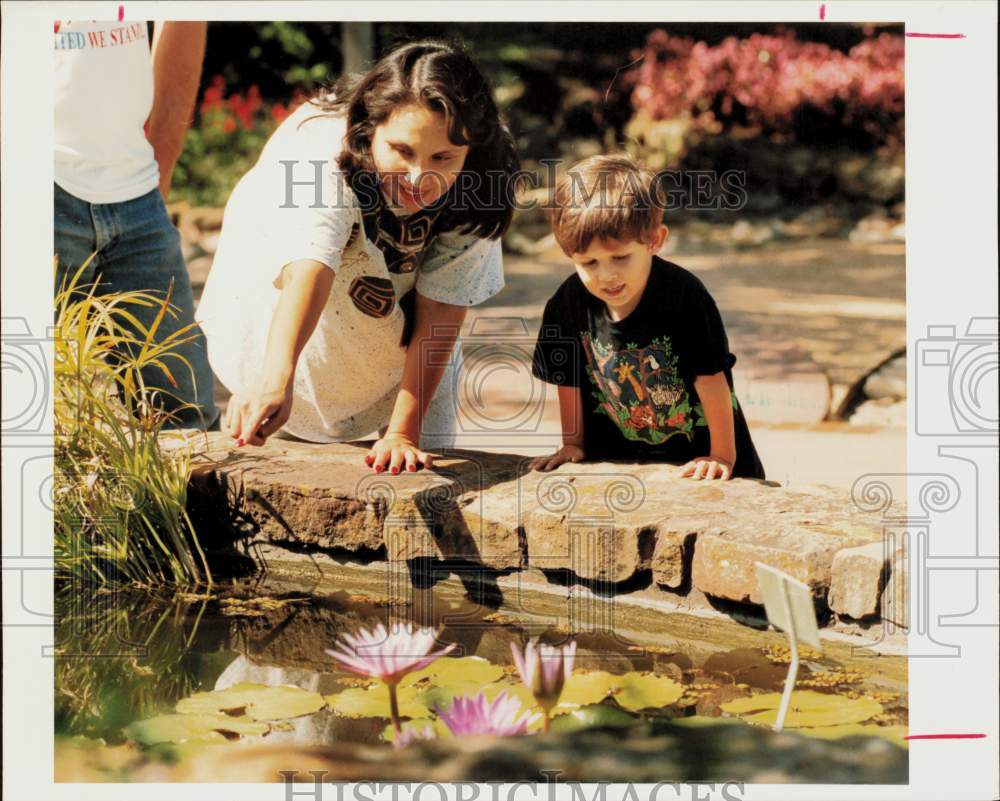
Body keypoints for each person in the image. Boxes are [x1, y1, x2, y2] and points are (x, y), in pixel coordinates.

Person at [196, 41, 518, 474]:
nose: (419, 177)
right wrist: (275, 380)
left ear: (471, 151)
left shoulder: (480, 182)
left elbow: (441, 308)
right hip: (294, 326)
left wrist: (403, 433)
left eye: (442, 157)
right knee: (276, 430)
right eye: (402, 151)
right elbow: (310, 267)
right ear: (370, 129)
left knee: (420, 470)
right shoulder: (320, 156)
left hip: (398, 345)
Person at [530, 155, 765, 480]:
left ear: (655, 240)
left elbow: (711, 379)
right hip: (618, 463)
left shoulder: (685, 296)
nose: (606, 275)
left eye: (620, 257)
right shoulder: (566, 304)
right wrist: (572, 444)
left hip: (697, 458)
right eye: (589, 263)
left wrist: (721, 455)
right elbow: (568, 379)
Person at [54, 19, 218, 429]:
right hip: (37, 183)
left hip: (135, 189)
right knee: (27, 423)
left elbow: (182, 17)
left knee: (185, 421)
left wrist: (161, 159)